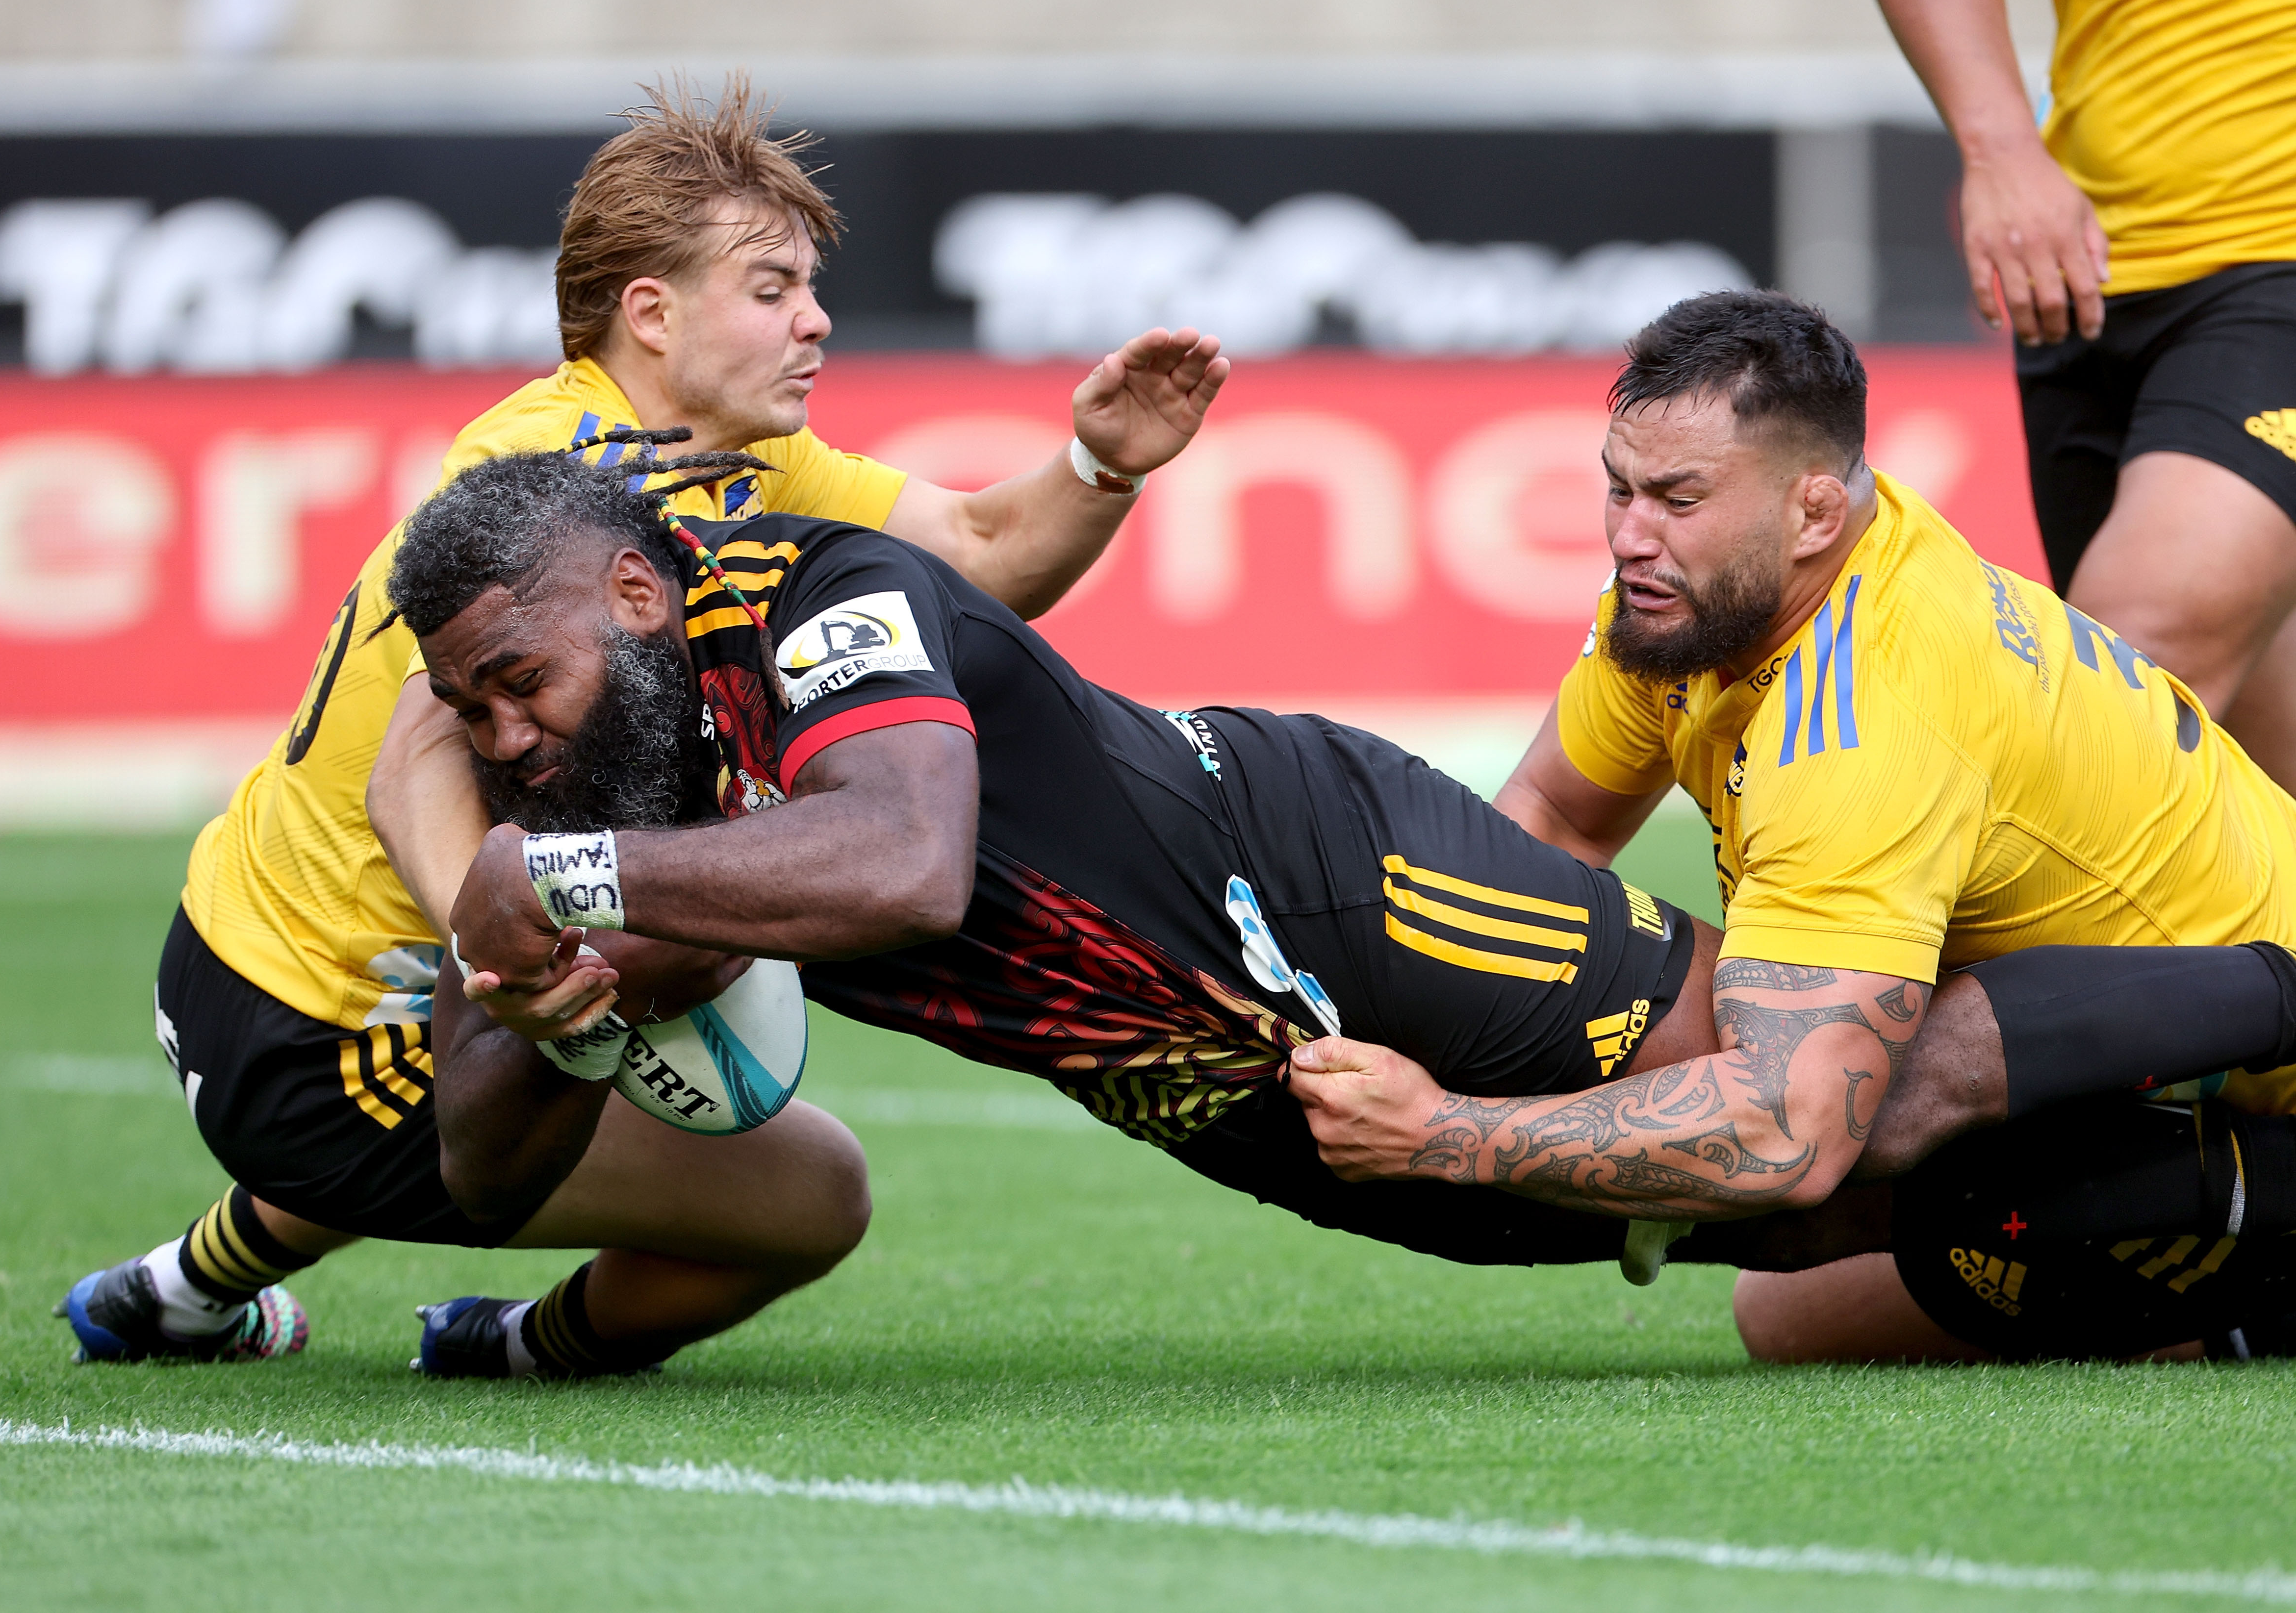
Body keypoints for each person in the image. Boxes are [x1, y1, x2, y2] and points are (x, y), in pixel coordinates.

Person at [401, 440, 2296, 1372]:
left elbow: (899, 857)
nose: (507, 736)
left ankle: (2271, 1002)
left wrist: (555, 881)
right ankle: (2229, 1242)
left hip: (1342, 890)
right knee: (1815, 1286)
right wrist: (540, 991)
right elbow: (483, 1170)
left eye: (520, 681)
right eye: (472, 708)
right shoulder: (600, 796)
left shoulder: (817, 598)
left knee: (1821, 1126)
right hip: (1259, 1096)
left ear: (636, 606)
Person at [56, 75, 1229, 1377]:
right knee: (809, 1186)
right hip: (323, 1020)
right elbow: (418, 747)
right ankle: (520, 1348)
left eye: (810, 286)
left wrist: (1102, 466)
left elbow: (980, 549)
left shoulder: (733, 455)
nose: (817, 319)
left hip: (259, 953)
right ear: (653, 314)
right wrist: (515, 966)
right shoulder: (540, 472)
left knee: (667, 897)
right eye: (773, 288)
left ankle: (180, 1290)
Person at [1276, 289, 2296, 1361]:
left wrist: (1444, 1133)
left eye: (1677, 497)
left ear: (1814, 511)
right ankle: (2183, 1273)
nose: (1630, 538)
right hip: (2100, 1041)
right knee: (1788, 1317)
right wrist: (1433, 1000)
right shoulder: (1706, 592)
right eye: (1618, 490)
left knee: (1831, 1158)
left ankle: (2243, 1259)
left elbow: (1788, 1128)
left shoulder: (1868, 709)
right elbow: (1553, 819)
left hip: (2257, 1069)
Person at [1856, 0, 2296, 783]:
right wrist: (2000, 152)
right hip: (2081, 273)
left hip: (2280, 266)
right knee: (2253, 781)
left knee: (2121, 676)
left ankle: (1861, 915)